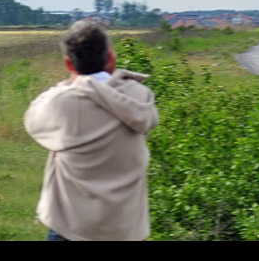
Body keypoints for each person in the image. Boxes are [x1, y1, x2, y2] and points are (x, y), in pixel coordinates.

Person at [24, 20, 158, 241]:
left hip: (70, 228)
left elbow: (33, 118)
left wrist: (78, 83)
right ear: (111, 57)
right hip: (125, 229)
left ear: (69, 64)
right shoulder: (138, 96)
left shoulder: (62, 103)